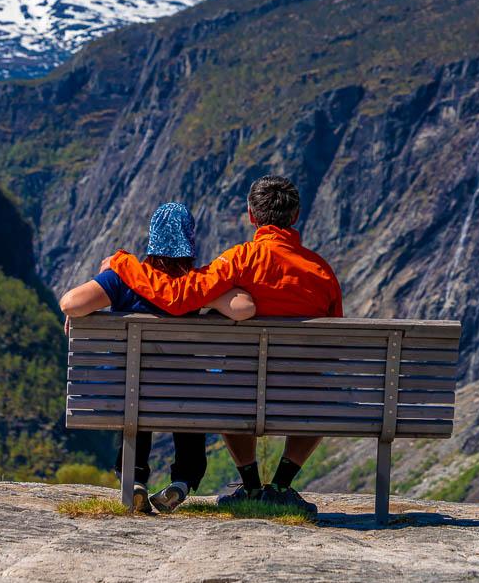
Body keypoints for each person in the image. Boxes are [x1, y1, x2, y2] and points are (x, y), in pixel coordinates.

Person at [105, 176, 342, 516]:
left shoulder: (239, 261)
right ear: (296, 215)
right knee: (320, 388)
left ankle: (251, 484)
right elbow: (333, 343)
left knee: (227, 382)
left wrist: (122, 264)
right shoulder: (322, 272)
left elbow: (176, 297)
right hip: (304, 396)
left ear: (251, 215)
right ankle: (281, 486)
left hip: (241, 394)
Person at [59, 202, 256, 513]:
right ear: (190, 241)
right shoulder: (197, 285)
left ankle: (134, 478)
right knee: (188, 387)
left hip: (127, 392)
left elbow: (71, 303)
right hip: (184, 392)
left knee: (136, 388)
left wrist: (113, 268)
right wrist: (214, 281)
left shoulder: (123, 278)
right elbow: (243, 308)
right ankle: (184, 480)